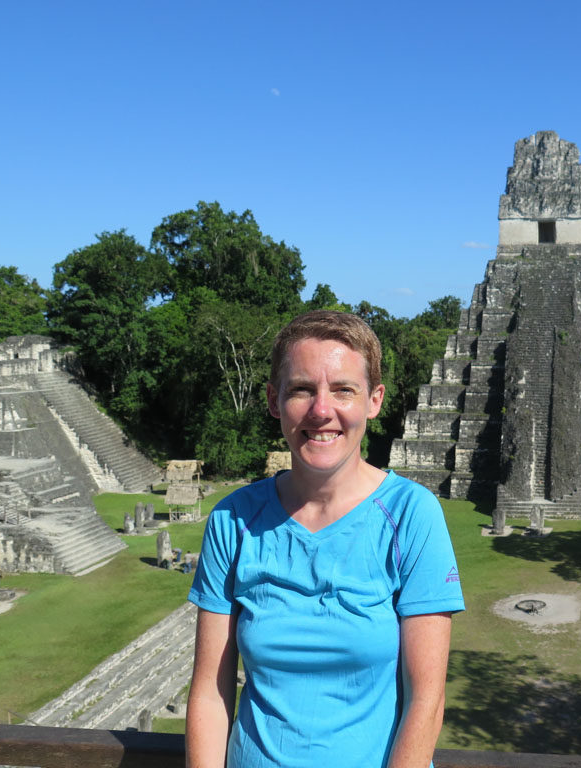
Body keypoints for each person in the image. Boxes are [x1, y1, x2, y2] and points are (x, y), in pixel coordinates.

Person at [186, 311, 465, 768]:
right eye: (301, 389)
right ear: (275, 401)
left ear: (373, 401)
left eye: (343, 390)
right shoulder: (234, 520)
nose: (321, 410)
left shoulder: (411, 515)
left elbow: (426, 702)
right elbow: (210, 694)